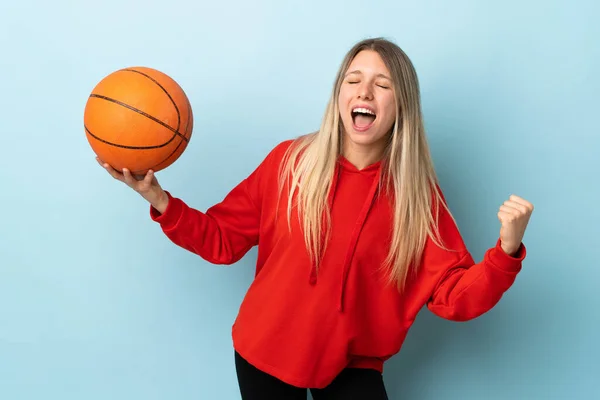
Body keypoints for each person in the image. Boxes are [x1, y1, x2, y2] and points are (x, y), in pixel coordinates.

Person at [97, 37, 534, 399]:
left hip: (352, 363)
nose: (364, 92)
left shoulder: (418, 200)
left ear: (402, 105)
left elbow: (453, 296)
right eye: (354, 80)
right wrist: (160, 200)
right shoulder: (290, 163)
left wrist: (505, 252)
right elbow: (221, 239)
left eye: (381, 85)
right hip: (263, 351)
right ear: (339, 95)